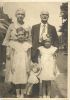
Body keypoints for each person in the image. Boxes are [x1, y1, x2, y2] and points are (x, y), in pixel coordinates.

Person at [2, 8, 31, 96]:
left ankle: (21, 90)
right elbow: (6, 39)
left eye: (22, 14)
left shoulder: (27, 26)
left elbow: (30, 40)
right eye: (18, 14)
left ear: (24, 16)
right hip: (12, 49)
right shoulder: (11, 26)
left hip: (23, 49)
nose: (20, 16)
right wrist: (7, 51)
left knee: (22, 69)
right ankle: (14, 88)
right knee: (12, 70)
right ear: (16, 15)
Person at [31, 10, 59, 97]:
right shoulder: (34, 27)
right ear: (40, 16)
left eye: (46, 15)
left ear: (48, 16)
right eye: (43, 14)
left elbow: (56, 40)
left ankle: (47, 94)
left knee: (46, 73)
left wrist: (55, 51)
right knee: (36, 72)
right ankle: (36, 94)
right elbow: (31, 40)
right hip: (36, 52)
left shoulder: (52, 28)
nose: (44, 16)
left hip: (47, 52)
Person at [7, 27, 32, 98]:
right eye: (19, 35)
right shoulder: (14, 44)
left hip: (24, 64)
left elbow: (29, 56)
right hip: (16, 64)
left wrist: (28, 66)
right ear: (17, 36)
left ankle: (22, 94)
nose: (21, 36)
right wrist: (11, 65)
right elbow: (12, 56)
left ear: (25, 36)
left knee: (23, 79)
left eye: (22, 34)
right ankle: (18, 93)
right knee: (17, 79)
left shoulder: (27, 45)